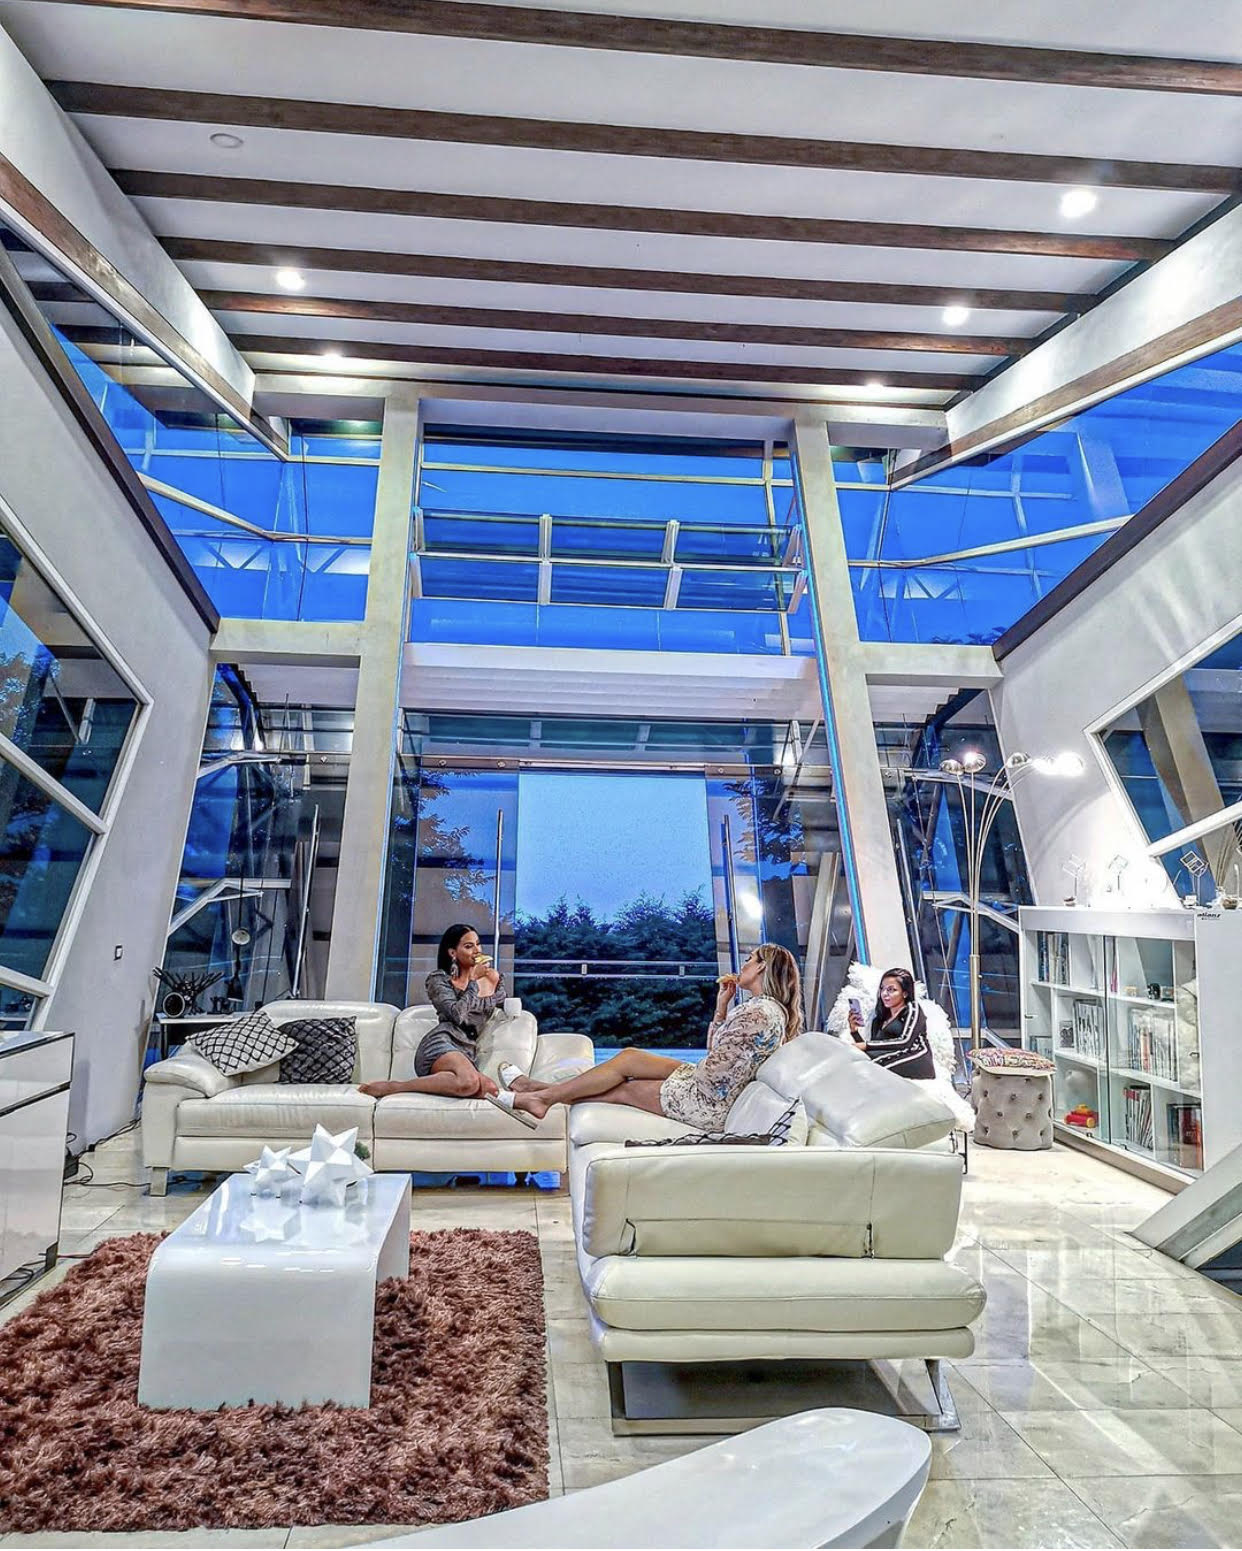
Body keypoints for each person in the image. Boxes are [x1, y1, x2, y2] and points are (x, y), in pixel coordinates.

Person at [505, 944, 803, 1130]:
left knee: (624, 1089)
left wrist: (681, 1076)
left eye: (750, 959)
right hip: (711, 1086)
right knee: (630, 1057)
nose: (744, 964)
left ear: (762, 966)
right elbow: (718, 1054)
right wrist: (721, 1007)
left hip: (707, 1101)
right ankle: (541, 1092)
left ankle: (542, 1097)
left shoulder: (757, 1013)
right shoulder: (763, 1009)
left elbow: (713, 1070)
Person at [359, 924, 507, 1105]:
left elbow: (503, 1002)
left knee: (490, 1089)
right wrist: (473, 981)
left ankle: (531, 1100)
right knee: (468, 1082)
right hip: (441, 1043)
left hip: (466, 1049)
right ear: (453, 953)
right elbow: (457, 1015)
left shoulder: (491, 978)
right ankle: (397, 1087)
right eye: (469, 946)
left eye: (478, 944)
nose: (477, 950)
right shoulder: (439, 980)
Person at [848, 967, 936, 1080]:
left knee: (870, 1069)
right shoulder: (878, 1019)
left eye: (891, 990)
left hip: (916, 1057)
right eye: (882, 989)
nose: (884, 994)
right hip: (892, 1057)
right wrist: (854, 1032)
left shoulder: (912, 1009)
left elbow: (905, 1041)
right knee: (858, 1065)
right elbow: (873, 1050)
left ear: (905, 993)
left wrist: (866, 1045)